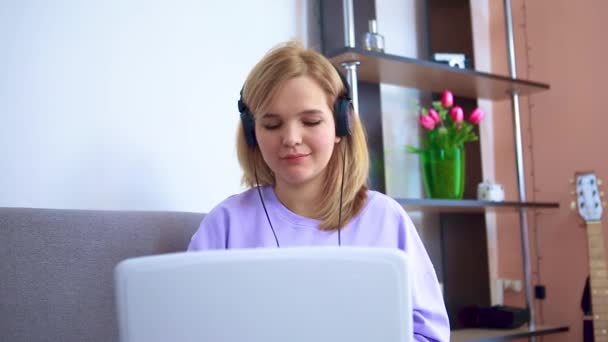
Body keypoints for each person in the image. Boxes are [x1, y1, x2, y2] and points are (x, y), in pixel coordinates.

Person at [187, 40, 450, 341]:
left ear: (342, 124)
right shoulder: (225, 224)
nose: (291, 138)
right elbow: (189, 329)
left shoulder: (385, 219)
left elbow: (429, 335)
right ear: (252, 133)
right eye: (272, 125)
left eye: (310, 121)